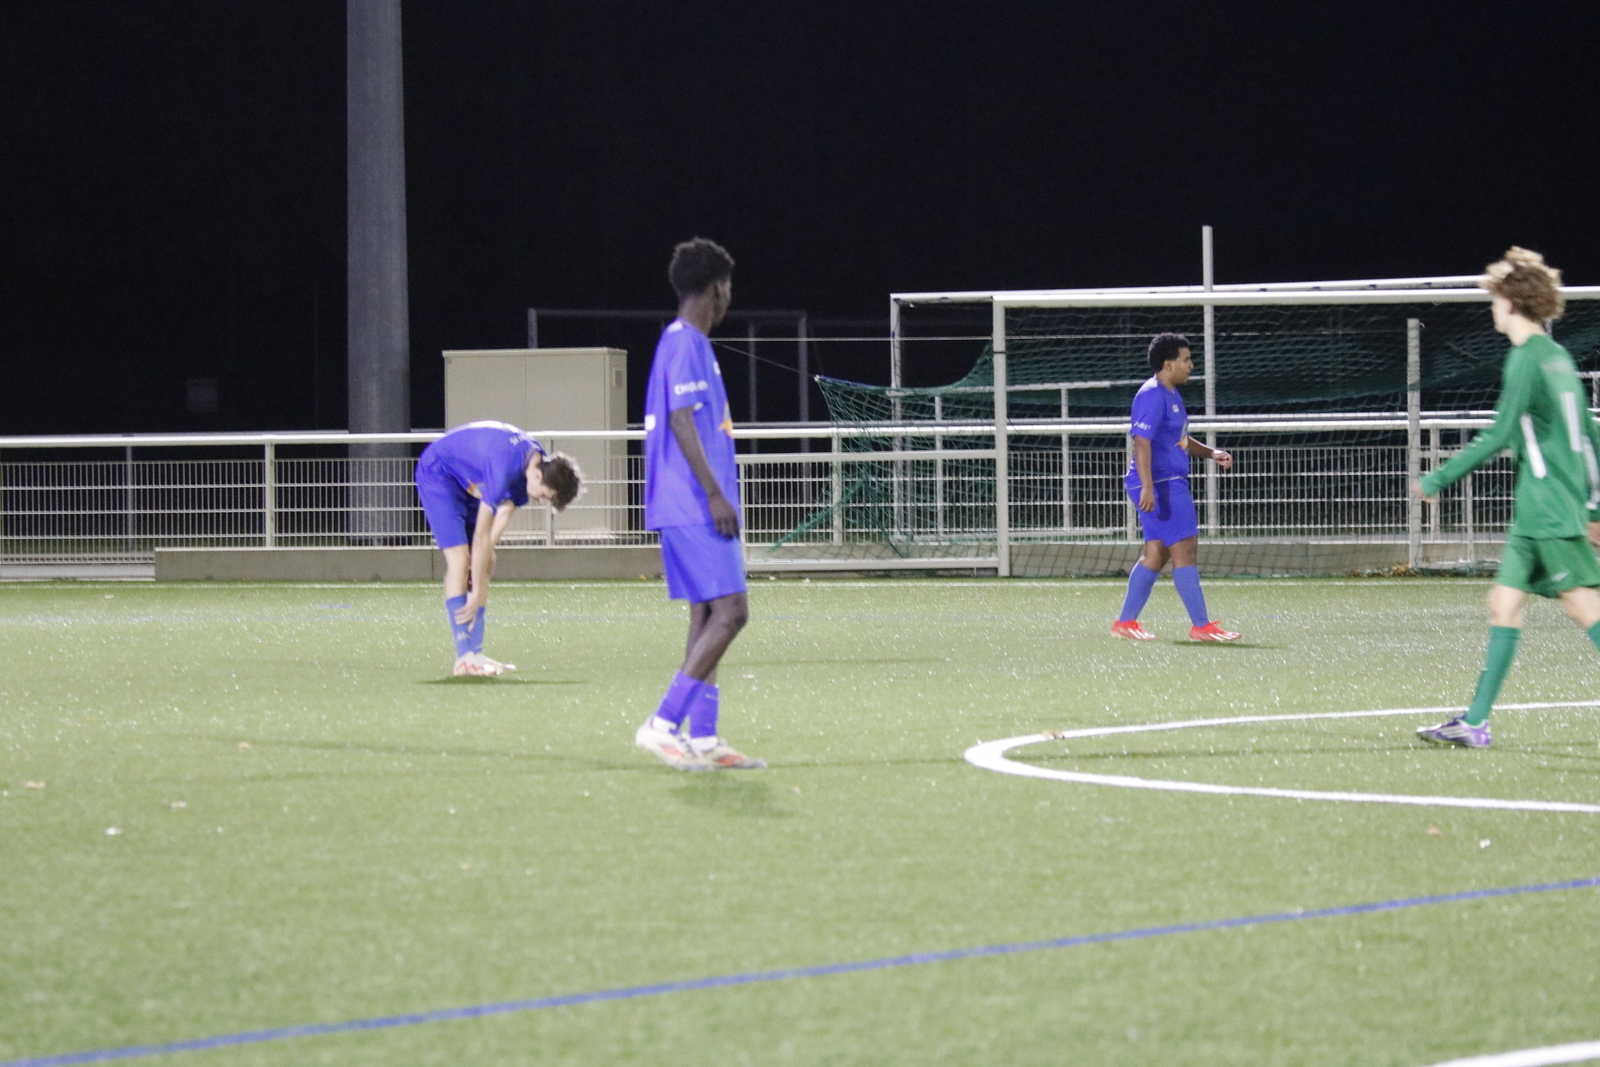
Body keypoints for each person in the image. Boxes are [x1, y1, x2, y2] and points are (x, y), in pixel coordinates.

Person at [1414, 248, 1600, 748]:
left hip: (1547, 510)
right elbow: (1590, 436)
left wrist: (1438, 478)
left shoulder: (1526, 359)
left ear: (1512, 302)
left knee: (1585, 607)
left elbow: (1498, 433)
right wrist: (1594, 505)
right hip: (1539, 509)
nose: (1492, 307)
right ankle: (1475, 723)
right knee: (1503, 603)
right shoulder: (1558, 357)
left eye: (1495, 299)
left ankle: (1475, 722)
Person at [633, 238, 765, 771]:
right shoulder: (687, 341)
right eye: (728, 287)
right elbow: (681, 419)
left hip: (683, 503)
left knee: (708, 612)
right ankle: (662, 725)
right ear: (717, 288)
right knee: (733, 612)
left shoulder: (684, 342)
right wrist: (714, 494)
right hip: (692, 503)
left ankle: (704, 737)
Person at [414, 421, 582, 676]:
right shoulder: (505, 468)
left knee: (487, 560)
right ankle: (464, 659)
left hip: (466, 480)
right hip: (438, 473)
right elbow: (482, 533)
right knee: (460, 560)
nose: (541, 501)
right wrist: (475, 590)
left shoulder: (532, 467)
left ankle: (476, 653)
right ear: (538, 477)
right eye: (545, 495)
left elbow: (495, 530)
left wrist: (480, 570)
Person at [1112, 332, 1241, 642]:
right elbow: (1141, 442)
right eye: (1186, 359)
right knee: (1185, 549)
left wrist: (1211, 453)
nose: (1191, 365)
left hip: (1164, 483)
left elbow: (1179, 439)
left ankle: (1125, 623)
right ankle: (1201, 627)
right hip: (1162, 485)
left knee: (1156, 554)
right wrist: (1147, 487)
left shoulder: (1171, 394)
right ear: (1168, 364)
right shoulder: (1152, 394)